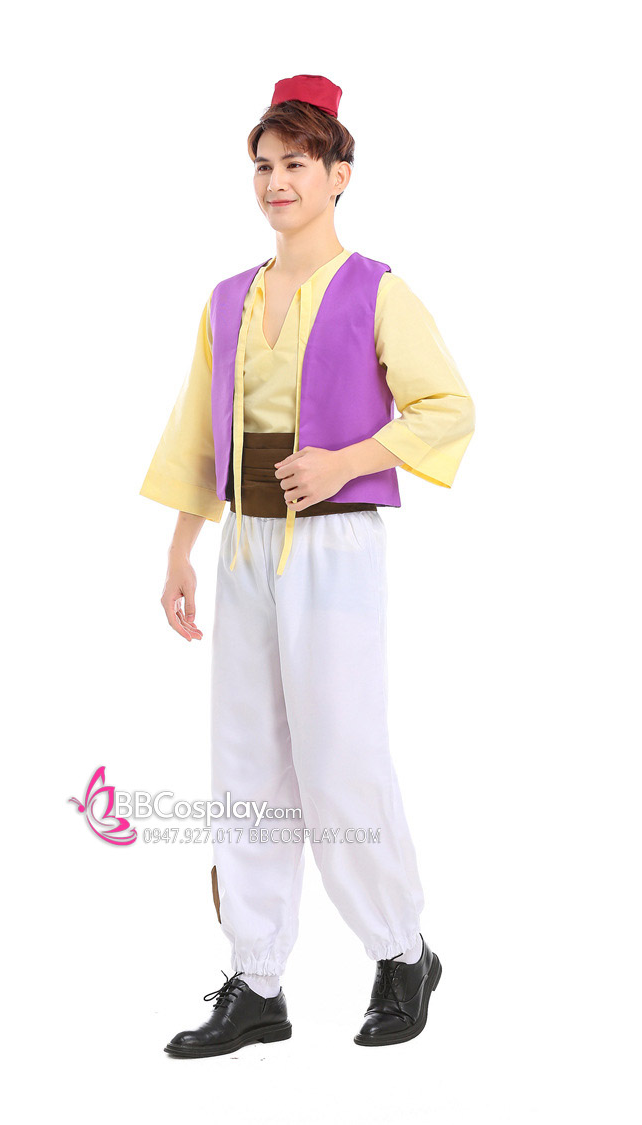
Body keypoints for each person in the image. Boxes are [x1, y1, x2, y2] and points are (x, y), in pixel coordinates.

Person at [140, 74, 475, 1057]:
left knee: (340, 754)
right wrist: (181, 551)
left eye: (296, 163)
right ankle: (257, 981)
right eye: (264, 164)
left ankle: (401, 950)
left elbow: (446, 407)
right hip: (244, 542)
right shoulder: (227, 299)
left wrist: (346, 459)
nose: (276, 181)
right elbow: (197, 434)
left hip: (334, 544)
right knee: (245, 758)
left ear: (339, 173)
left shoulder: (378, 290)